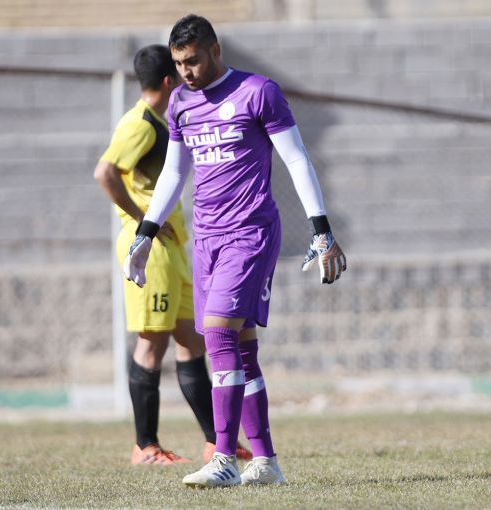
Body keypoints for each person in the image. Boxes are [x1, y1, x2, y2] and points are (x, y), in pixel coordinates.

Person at [122, 16, 347, 487]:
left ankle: (223, 456)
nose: (185, 71)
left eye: (193, 60)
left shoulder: (258, 92)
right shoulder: (180, 103)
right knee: (241, 348)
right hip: (205, 238)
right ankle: (265, 461)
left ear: (215, 50)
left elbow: (295, 157)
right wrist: (146, 233)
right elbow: (174, 172)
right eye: (178, 63)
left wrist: (321, 228)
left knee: (218, 334)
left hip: (250, 234)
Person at [94, 44, 252, 466]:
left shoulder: (163, 120)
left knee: (192, 343)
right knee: (151, 343)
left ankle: (216, 442)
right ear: (169, 80)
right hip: (149, 249)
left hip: (173, 248)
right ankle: (145, 446)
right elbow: (105, 172)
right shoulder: (140, 124)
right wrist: (142, 218)